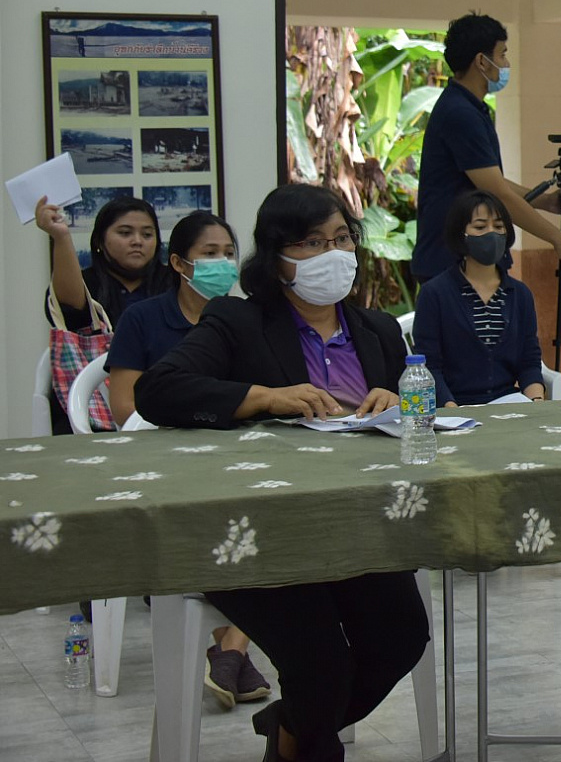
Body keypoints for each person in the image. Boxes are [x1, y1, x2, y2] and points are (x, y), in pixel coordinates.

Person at [137, 184, 428, 761]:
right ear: (276, 258)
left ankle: (289, 731)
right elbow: (157, 390)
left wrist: (400, 402)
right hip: (260, 528)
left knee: (401, 639)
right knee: (321, 663)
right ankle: (304, 744)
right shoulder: (237, 322)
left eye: (341, 239)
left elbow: (426, 411)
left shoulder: (378, 330)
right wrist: (264, 397)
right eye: (312, 243)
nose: (332, 253)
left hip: (356, 522)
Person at [103, 210, 269, 709]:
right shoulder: (144, 319)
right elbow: (125, 406)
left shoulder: (247, 317)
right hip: (162, 452)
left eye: (228, 254)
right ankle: (232, 646)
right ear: (178, 263)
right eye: (209, 254)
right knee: (211, 516)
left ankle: (230, 649)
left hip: (234, 453)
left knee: (268, 512)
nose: (222, 263)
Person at [411, 12, 561, 282]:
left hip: (467, 261)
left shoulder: (467, 107)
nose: (506, 64)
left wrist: (545, 201)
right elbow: (497, 192)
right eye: (502, 55)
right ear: (482, 61)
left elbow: (492, 182)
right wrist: (557, 238)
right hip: (454, 263)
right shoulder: (460, 114)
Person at [34, 194, 174, 434]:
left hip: (165, 405)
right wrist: (61, 236)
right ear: (100, 240)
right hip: (93, 412)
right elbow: (71, 312)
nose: (137, 241)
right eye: (125, 233)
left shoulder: (174, 283)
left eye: (147, 234)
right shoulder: (87, 283)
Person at [412, 189, 545, 408]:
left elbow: (529, 361)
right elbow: (429, 366)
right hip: (454, 408)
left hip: (508, 405)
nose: (492, 233)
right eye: (480, 227)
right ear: (460, 234)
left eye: (499, 226)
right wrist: (451, 410)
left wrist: (536, 402)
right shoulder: (434, 294)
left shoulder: (520, 294)